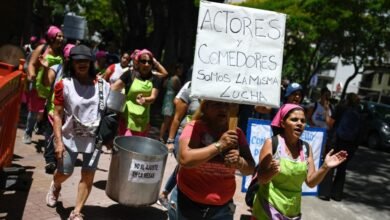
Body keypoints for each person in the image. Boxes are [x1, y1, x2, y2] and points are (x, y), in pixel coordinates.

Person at [45, 45, 110, 220]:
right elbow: (57, 114)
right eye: (77, 60)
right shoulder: (63, 85)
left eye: (85, 60)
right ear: (71, 63)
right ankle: (55, 185)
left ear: (91, 62)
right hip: (69, 137)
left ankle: (76, 212)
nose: (82, 64)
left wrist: (110, 137)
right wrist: (58, 142)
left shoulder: (103, 86)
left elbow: (112, 112)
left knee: (88, 174)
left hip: (94, 139)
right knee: (65, 172)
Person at [251, 104, 348, 220]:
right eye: (294, 119)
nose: (299, 123)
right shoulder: (272, 143)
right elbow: (261, 179)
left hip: (292, 213)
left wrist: (325, 167)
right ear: (283, 123)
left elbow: (311, 182)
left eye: (303, 121)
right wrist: (270, 172)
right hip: (267, 211)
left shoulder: (307, 148)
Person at [174, 100, 256, 220]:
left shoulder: (236, 133)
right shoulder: (194, 127)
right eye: (217, 104)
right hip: (188, 205)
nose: (223, 108)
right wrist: (219, 145)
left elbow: (250, 169)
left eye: (227, 104)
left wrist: (239, 162)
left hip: (222, 210)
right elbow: (184, 159)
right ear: (205, 107)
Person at [158, 80, 200, 208]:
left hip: (201, 138)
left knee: (186, 168)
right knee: (185, 167)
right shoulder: (190, 91)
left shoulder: (215, 96)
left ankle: (165, 194)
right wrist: (170, 141)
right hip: (183, 135)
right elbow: (176, 118)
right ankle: (176, 202)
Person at [23, 25, 64, 144]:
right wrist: (31, 75)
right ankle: (28, 132)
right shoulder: (42, 48)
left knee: (48, 110)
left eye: (62, 36)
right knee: (34, 110)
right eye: (59, 36)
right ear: (52, 37)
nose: (61, 38)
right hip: (39, 83)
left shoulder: (61, 52)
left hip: (54, 85)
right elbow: (32, 63)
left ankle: (43, 130)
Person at [111, 49, 165, 136]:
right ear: (138, 62)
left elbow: (153, 98)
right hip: (127, 119)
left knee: (138, 148)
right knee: (126, 145)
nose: (146, 64)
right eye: (143, 61)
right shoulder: (129, 74)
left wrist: (145, 100)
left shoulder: (155, 79)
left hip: (143, 121)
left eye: (149, 62)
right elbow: (113, 88)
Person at [319, 93, 361, 201]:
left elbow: (330, 123)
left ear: (346, 99)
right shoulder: (359, 112)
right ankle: (337, 194)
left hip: (336, 140)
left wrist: (327, 112)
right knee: (342, 169)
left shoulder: (340, 108)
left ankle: (325, 192)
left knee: (330, 165)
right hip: (349, 144)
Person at [41, 43, 75, 174]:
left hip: (70, 110)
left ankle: (59, 157)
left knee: (63, 135)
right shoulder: (56, 68)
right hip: (54, 108)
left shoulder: (78, 73)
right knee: (51, 134)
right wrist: (45, 69)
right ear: (65, 58)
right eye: (70, 58)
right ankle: (50, 160)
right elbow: (46, 83)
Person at [158, 63, 183, 143]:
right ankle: (161, 137)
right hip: (172, 99)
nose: (181, 71)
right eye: (180, 69)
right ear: (177, 70)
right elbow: (179, 91)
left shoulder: (169, 78)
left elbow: (164, 86)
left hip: (167, 98)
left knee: (167, 119)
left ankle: (164, 136)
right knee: (167, 120)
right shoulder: (176, 79)